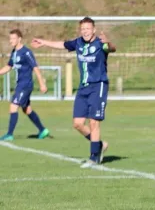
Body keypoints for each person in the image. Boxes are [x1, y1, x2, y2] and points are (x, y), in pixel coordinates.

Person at [31, 17, 115, 167]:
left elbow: (111, 48)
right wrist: (44, 42)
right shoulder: (78, 42)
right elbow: (62, 44)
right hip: (83, 88)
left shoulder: (100, 44)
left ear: (94, 30)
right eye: (83, 29)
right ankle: (100, 145)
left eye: (88, 29)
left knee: (94, 122)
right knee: (77, 124)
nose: (85, 32)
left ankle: (94, 157)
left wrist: (107, 42)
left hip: (98, 86)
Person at [0, 30, 50, 141]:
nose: (11, 41)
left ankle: (9, 134)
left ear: (19, 39)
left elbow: (35, 68)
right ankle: (43, 130)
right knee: (27, 109)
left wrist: (42, 84)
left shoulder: (26, 52)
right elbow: (9, 66)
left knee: (13, 106)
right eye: (10, 38)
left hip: (25, 85)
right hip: (20, 85)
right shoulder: (14, 52)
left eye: (13, 38)